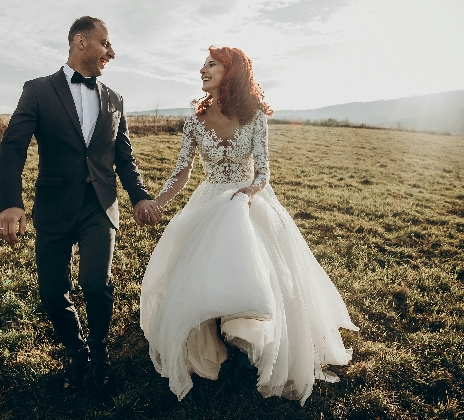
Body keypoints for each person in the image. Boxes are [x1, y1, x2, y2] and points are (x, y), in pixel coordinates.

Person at [139, 46, 358, 405]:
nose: (202, 70)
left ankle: (250, 331)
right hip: (210, 197)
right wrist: (159, 202)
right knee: (198, 265)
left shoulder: (255, 115)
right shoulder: (194, 118)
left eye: (211, 65)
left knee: (253, 254)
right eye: (203, 64)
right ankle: (210, 333)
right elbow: (183, 170)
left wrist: (250, 190)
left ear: (232, 73)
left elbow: (264, 170)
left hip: (249, 196)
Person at [0, 16, 162, 393]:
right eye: (106, 43)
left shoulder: (116, 100)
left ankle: (101, 353)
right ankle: (76, 351)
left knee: (95, 282)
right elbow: (13, 146)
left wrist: (139, 197)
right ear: (80, 41)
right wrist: (10, 202)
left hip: (100, 206)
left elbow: (125, 158)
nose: (112, 52)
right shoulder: (37, 90)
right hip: (53, 205)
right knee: (53, 291)